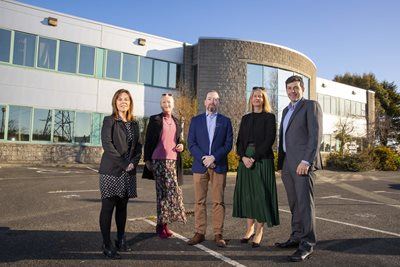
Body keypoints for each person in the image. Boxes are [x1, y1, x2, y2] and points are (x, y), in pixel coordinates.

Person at [275, 75, 323, 262]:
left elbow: (315, 136)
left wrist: (306, 161)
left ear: (302, 88)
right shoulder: (286, 110)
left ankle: (307, 243)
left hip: (302, 164)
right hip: (288, 164)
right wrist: (282, 164)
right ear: (286, 90)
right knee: (294, 203)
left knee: (305, 204)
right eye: (289, 88)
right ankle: (296, 237)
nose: (292, 91)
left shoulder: (310, 106)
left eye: (296, 87)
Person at [232, 86, 280, 248]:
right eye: (254, 96)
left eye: (260, 96)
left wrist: (253, 157)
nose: (257, 98)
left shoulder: (269, 117)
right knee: (248, 195)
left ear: (264, 99)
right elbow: (239, 142)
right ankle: (249, 229)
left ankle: (259, 231)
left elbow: (269, 140)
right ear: (251, 99)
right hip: (245, 160)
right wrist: (243, 157)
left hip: (262, 159)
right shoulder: (245, 118)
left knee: (261, 196)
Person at [98, 89, 142, 259]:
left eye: (126, 99)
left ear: (130, 103)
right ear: (115, 102)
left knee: (123, 207)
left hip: (128, 171)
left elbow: (138, 146)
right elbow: (107, 145)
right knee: (108, 207)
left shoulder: (135, 124)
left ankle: (121, 239)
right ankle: (106, 244)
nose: (123, 102)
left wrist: (134, 163)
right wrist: (124, 164)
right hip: (111, 171)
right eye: (120, 99)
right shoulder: (109, 121)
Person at [187, 90, 233, 247]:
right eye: (209, 99)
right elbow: (191, 144)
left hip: (218, 165)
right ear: (205, 102)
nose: (212, 102)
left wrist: (214, 158)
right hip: (200, 166)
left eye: (215, 99)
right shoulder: (195, 120)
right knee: (199, 201)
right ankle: (199, 232)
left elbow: (228, 144)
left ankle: (218, 234)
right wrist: (204, 159)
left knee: (218, 201)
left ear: (219, 102)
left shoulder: (226, 121)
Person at [142, 93, 187, 238]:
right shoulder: (155, 120)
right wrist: (147, 160)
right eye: (163, 102)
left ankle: (163, 224)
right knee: (162, 194)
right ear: (161, 104)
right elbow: (148, 140)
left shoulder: (176, 120)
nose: (166, 104)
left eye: (168, 102)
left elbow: (179, 140)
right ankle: (161, 226)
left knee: (172, 193)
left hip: (173, 161)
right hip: (159, 161)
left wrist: (181, 145)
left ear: (173, 104)